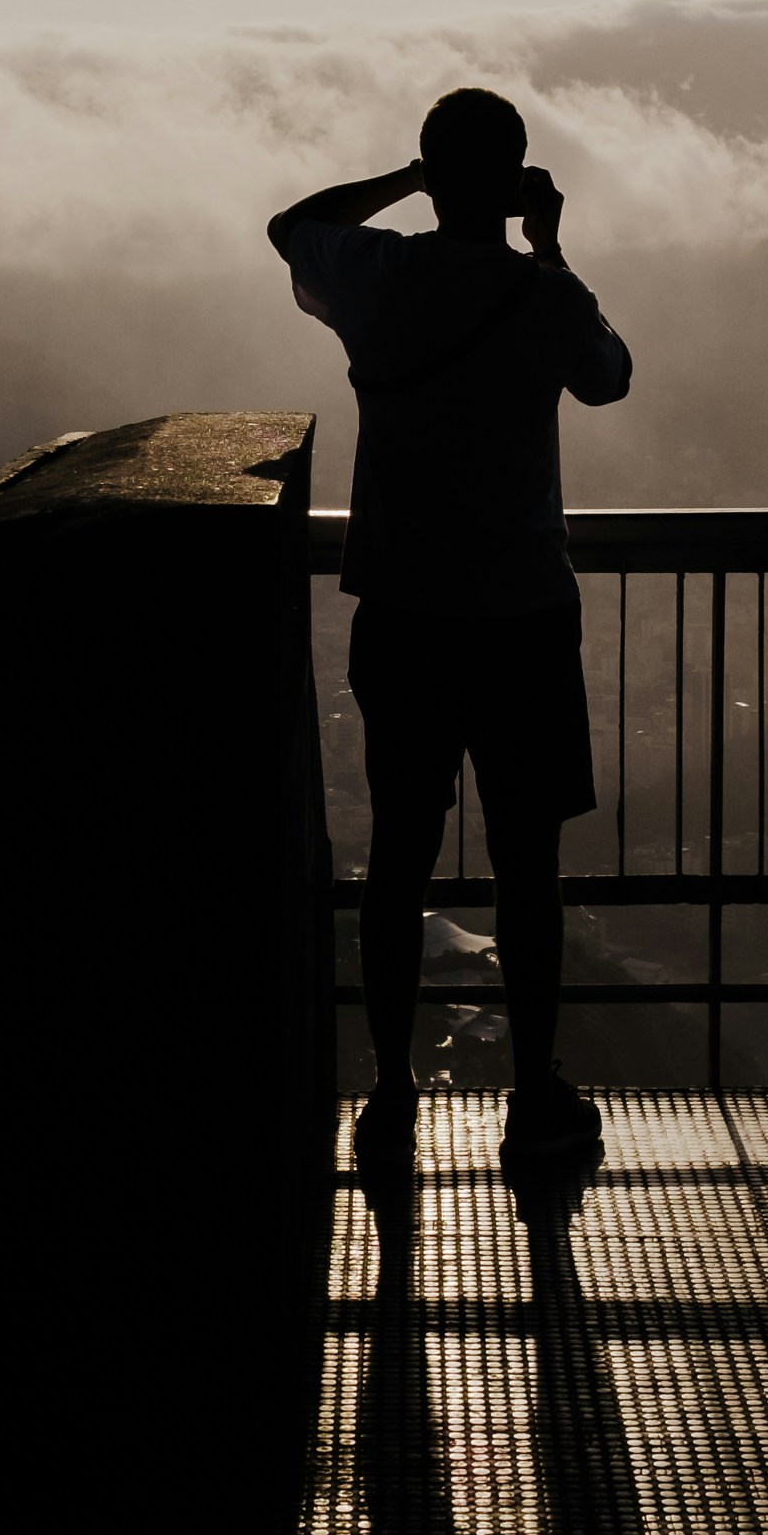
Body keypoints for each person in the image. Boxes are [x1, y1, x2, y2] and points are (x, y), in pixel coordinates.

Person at [268, 87, 632, 1167]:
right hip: (521, 611)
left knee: (398, 857)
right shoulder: (538, 291)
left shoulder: (380, 278)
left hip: (405, 610)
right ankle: (534, 1091)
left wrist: (409, 179)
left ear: (434, 168)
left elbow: (295, 223)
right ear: (518, 176)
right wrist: (549, 242)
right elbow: (609, 378)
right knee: (528, 864)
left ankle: (387, 1087)